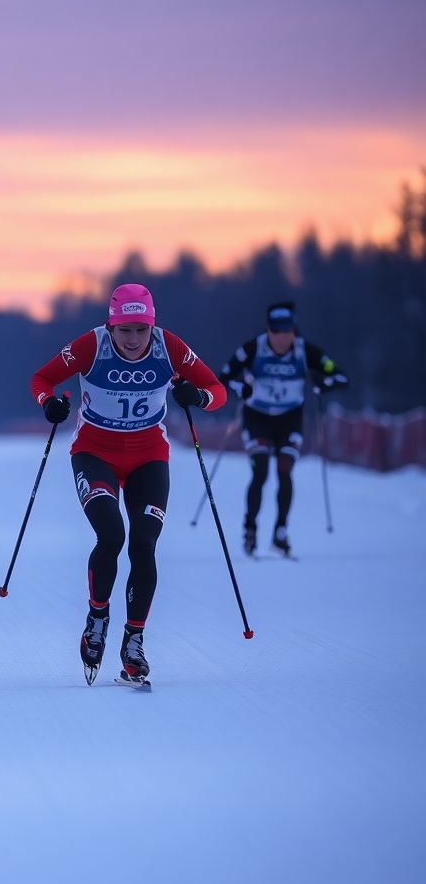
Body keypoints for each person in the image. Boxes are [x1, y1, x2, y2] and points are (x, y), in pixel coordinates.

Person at [29, 283, 226, 686]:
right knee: (111, 534)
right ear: (111, 326)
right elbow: (42, 378)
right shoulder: (91, 345)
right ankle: (97, 616)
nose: (134, 339)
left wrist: (199, 398)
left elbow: (218, 390)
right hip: (94, 453)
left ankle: (133, 641)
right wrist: (49, 404)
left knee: (144, 544)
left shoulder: (169, 347)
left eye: (141, 329)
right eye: (125, 330)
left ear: (152, 326)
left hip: (148, 457)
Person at [220, 301, 348, 558]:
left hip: (289, 420)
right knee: (261, 471)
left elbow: (340, 376)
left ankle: (280, 532)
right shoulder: (253, 348)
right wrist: (239, 388)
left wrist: (325, 382)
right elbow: (223, 376)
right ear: (268, 330)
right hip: (257, 417)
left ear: (293, 331)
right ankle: (250, 528)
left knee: (285, 469)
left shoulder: (304, 350)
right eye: (276, 332)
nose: (281, 338)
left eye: (287, 331)